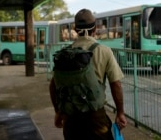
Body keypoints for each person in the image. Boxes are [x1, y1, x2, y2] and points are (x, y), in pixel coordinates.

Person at [49, 8, 127, 140]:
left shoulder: (65, 53)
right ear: (95, 29)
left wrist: (58, 112)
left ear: (75, 29)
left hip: (70, 117)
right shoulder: (104, 51)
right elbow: (116, 84)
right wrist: (120, 112)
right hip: (95, 118)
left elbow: (53, 86)